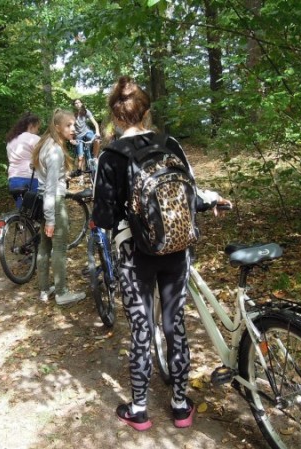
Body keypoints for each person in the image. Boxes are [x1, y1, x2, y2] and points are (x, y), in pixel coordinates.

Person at [91, 76, 231, 431]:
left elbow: (103, 217)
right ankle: (181, 406)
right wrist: (210, 201)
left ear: (115, 116)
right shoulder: (170, 144)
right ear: (146, 112)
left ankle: (139, 409)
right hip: (177, 246)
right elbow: (189, 191)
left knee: (141, 327)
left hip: (134, 253)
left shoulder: (110, 156)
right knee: (175, 324)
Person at [31, 109, 86, 305]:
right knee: (59, 248)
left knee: (44, 247)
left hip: (43, 200)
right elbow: (51, 187)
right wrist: (51, 219)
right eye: (68, 125)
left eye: (74, 125)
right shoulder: (55, 151)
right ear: (57, 127)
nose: (73, 129)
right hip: (53, 202)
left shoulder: (45, 143)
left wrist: (63, 176)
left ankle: (44, 289)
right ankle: (62, 293)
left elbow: (46, 177)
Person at [6, 112, 42, 208]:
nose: (37, 131)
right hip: (31, 177)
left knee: (22, 210)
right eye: (37, 128)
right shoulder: (35, 139)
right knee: (36, 210)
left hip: (14, 178)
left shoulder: (11, 140)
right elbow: (43, 158)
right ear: (31, 125)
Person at [70, 98, 101, 171]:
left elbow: (95, 123)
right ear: (74, 105)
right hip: (78, 135)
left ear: (81, 103)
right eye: (76, 103)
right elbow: (70, 128)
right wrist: (71, 139)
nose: (78, 104)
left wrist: (97, 132)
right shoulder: (72, 114)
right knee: (80, 157)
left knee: (97, 140)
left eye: (79, 102)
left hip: (87, 132)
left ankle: (95, 158)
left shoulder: (86, 112)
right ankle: (79, 171)